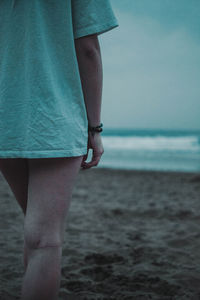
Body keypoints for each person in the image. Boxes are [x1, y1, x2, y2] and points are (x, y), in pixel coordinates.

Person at [0, 0, 119, 299]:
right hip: (53, 116)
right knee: (45, 241)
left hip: (5, 113)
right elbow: (88, 49)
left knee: (36, 232)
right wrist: (95, 128)